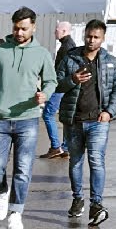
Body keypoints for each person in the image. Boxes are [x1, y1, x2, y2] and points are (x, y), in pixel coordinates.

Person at [0, 6, 58, 229]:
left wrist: (45, 94)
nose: (19, 33)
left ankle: (16, 211)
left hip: (28, 118)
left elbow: (51, 81)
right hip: (0, 118)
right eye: (16, 28)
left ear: (33, 27)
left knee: (23, 168)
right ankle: (2, 191)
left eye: (24, 28)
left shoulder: (41, 53)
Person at [56, 19, 116, 226]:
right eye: (88, 36)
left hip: (98, 122)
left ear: (103, 39)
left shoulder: (111, 62)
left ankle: (96, 204)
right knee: (75, 162)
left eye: (96, 37)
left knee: (96, 161)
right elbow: (57, 84)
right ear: (84, 34)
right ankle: (77, 199)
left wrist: (109, 112)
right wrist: (72, 80)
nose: (91, 40)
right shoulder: (70, 58)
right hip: (74, 120)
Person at [41, 21, 75, 160]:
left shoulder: (66, 47)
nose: (55, 32)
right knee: (65, 117)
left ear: (64, 31)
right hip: (64, 86)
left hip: (60, 86)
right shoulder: (69, 45)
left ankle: (56, 147)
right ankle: (65, 147)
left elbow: (63, 69)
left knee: (48, 114)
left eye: (57, 29)